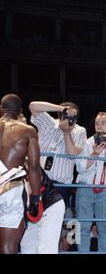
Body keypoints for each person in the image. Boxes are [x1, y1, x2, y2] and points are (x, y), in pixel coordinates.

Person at [0, 94, 42, 254]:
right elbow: (34, 167)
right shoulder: (27, 131)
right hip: (10, 190)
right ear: (20, 112)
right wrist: (36, 199)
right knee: (8, 246)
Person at [75, 112, 106, 252]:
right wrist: (94, 154)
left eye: (103, 123)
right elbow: (80, 168)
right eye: (97, 123)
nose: (100, 126)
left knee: (105, 229)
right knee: (82, 228)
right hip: (85, 188)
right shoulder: (87, 142)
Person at [28, 101, 87, 207]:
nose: (67, 117)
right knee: (34, 217)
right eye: (65, 114)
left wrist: (66, 131)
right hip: (39, 180)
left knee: (56, 220)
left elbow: (72, 154)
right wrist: (62, 108)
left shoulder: (80, 131)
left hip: (61, 184)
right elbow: (33, 106)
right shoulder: (49, 123)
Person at [20, 169, 65, 254]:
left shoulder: (27, 163)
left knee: (46, 249)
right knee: (27, 245)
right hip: (33, 211)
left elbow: (32, 185)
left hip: (51, 205)